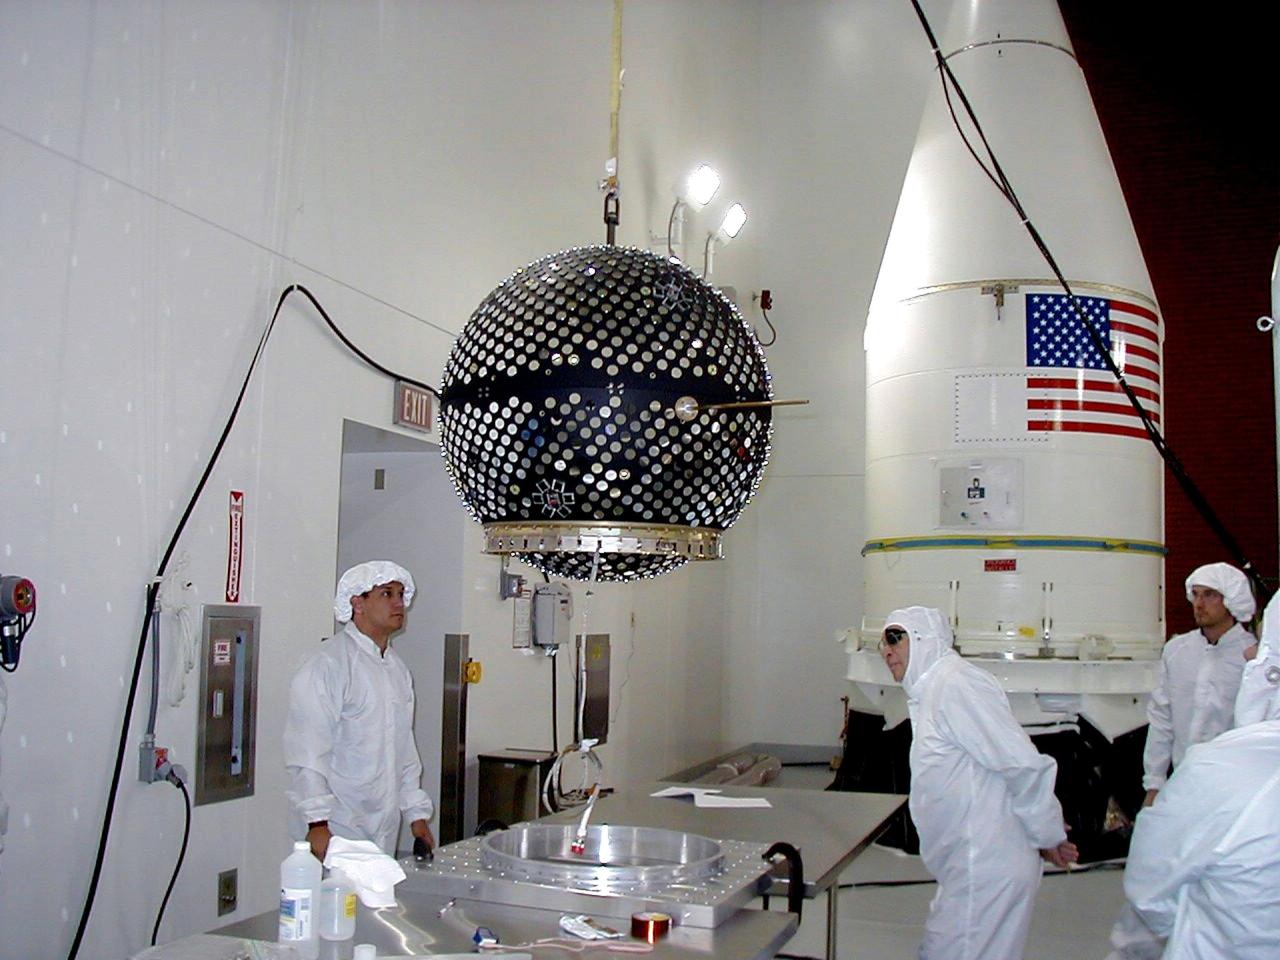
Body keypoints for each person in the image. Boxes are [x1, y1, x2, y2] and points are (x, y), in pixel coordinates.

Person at [880, 606, 1077, 960]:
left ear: (927, 641)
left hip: (986, 866)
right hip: (969, 866)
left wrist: (1048, 833)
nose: (886, 650)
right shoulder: (930, 692)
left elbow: (1021, 764)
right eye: (883, 641)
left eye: (896, 637)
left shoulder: (956, 685)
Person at [1107, 562, 1257, 959]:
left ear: (1233, 601)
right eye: (1196, 594)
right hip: (1181, 787)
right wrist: (1154, 783)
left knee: (1221, 882)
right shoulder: (1179, 651)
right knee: (1155, 872)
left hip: (1233, 795)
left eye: (1210, 595)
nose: (1199, 603)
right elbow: (1162, 720)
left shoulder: (1252, 658)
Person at [284, 561, 435, 860]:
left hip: (384, 825)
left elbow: (404, 750)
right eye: (386, 594)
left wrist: (416, 816)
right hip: (336, 827)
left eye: (401, 594)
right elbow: (308, 753)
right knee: (336, 904)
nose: (398, 603)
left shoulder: (397, 671)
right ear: (357, 603)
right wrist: (317, 823)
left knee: (375, 904)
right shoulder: (328, 665)